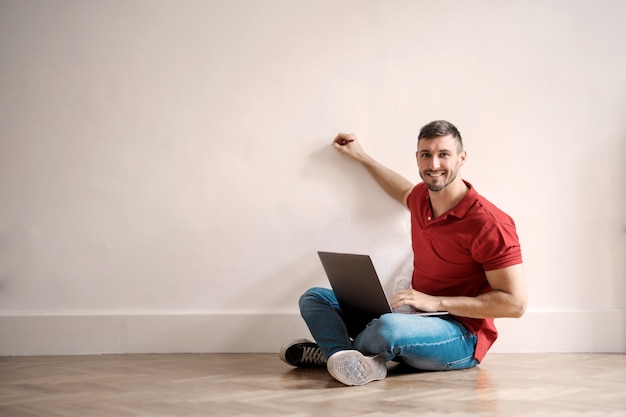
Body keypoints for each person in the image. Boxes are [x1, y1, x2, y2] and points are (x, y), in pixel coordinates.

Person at [280, 120, 527, 386]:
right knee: (315, 298)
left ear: (461, 158)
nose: (434, 165)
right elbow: (402, 190)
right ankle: (345, 358)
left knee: (388, 328)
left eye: (444, 154)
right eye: (426, 155)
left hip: (461, 335)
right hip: (412, 316)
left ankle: (336, 352)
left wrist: (437, 302)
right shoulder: (422, 198)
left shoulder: (490, 224)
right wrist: (361, 156)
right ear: (417, 158)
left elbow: (515, 303)